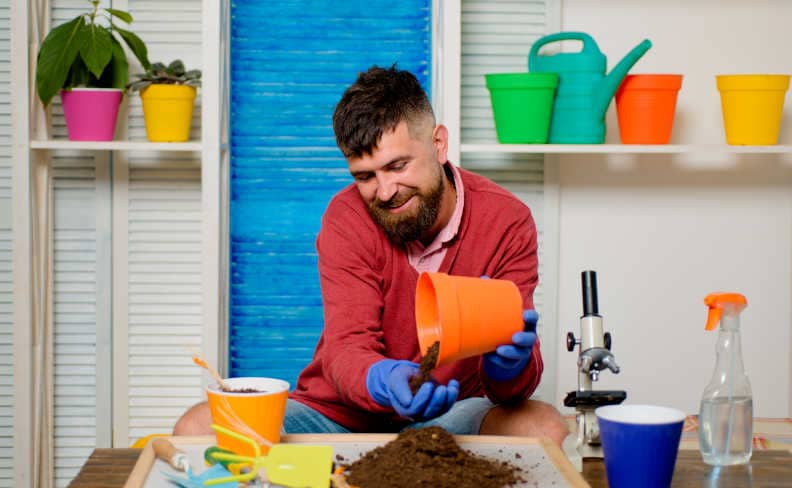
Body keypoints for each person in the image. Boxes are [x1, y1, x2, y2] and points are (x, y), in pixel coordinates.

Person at [174, 65, 569, 445]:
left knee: (544, 429)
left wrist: (509, 368)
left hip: (450, 415)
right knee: (198, 428)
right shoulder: (346, 218)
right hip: (340, 417)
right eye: (365, 176)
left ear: (439, 144)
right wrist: (382, 379)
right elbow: (346, 350)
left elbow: (513, 387)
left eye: (397, 166)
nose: (383, 192)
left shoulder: (506, 221)